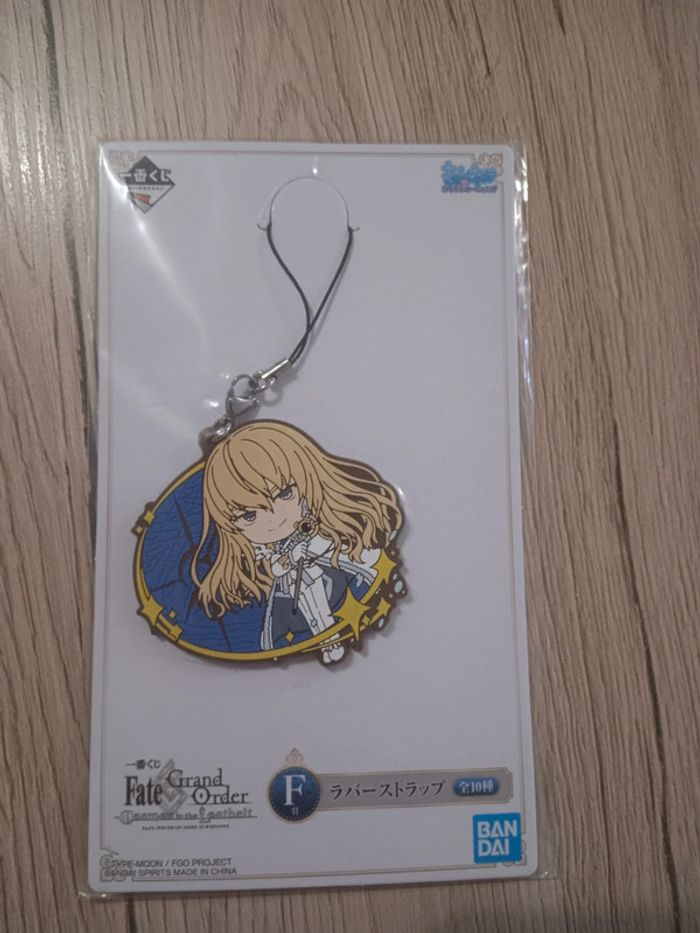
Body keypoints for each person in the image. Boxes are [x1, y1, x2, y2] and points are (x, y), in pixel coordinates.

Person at [191, 420, 404, 664]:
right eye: (249, 515)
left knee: (349, 551)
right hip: (299, 578)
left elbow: (328, 540)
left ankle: (384, 580)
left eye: (285, 494)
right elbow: (276, 568)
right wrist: (291, 557)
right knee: (305, 590)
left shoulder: (315, 519)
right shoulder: (264, 549)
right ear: (230, 526)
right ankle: (328, 639)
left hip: (327, 553)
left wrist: (316, 545)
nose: (274, 519)